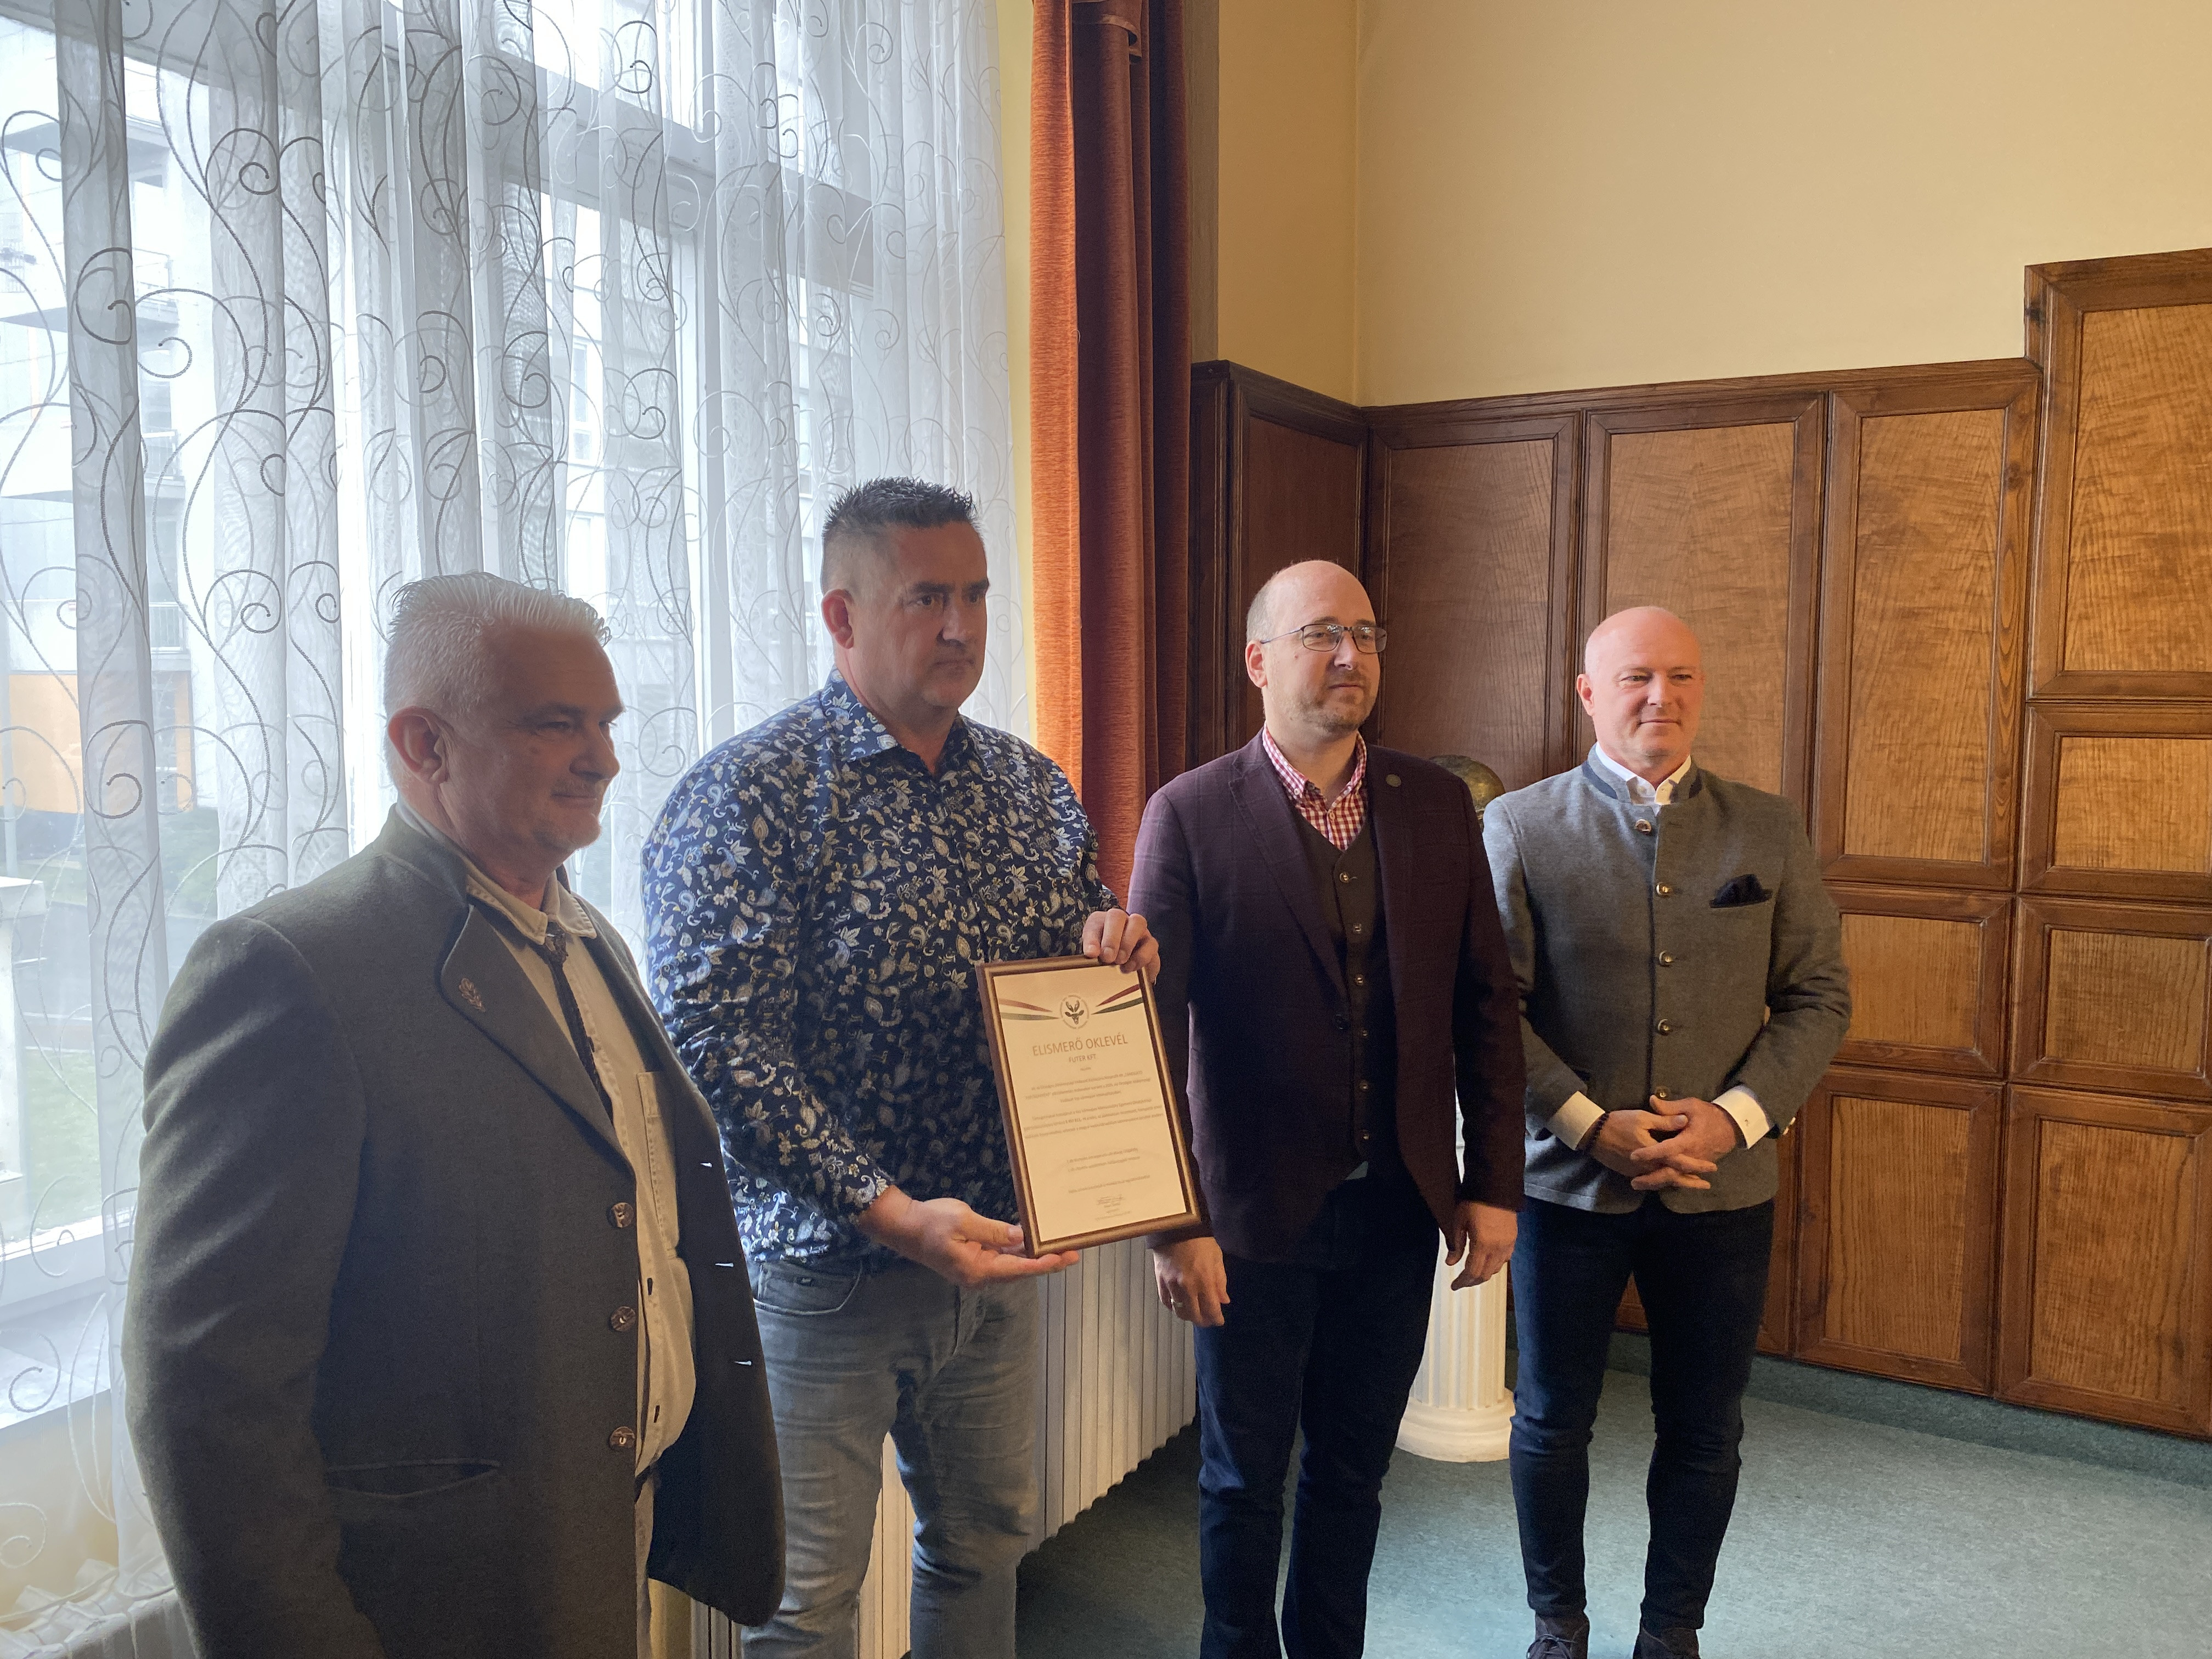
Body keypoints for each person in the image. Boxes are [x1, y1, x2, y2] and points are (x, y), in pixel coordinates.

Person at [124, 574, 783, 1659]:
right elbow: (209, 1393)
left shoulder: (594, 944)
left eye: (606, 723)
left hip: (604, 1538)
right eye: (554, 723)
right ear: (424, 745)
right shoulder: (290, 971)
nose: (604, 759)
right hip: (435, 1606)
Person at [641, 477, 1156, 1659]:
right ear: (842, 615)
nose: (963, 626)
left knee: (985, 1545)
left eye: (976, 594)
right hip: (825, 1274)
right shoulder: (749, 793)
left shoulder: (1029, 784)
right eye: (928, 598)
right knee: (804, 1603)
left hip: (995, 1257)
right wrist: (887, 1211)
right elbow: (716, 1046)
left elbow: (1076, 947)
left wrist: (1114, 944)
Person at [1130, 558, 1526, 1659]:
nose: (1351, 654)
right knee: (1242, 1479)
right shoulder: (1189, 813)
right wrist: (1174, 1223)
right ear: (1258, 662)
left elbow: (1487, 1004)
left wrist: (1494, 1186)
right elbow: (1148, 1037)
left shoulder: (1436, 803)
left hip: (1397, 1209)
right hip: (1249, 1219)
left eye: (1365, 633)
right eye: (1320, 634)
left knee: (1353, 1474)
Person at [1484, 606, 1850, 1659]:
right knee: (1551, 1421)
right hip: (1567, 1187)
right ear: (1588, 694)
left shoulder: (1767, 827)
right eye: (1637, 676)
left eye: (1682, 676)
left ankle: (1671, 1633)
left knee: (1705, 1428)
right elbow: (1491, 1010)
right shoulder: (1519, 825)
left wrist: (1734, 1120)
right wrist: (1588, 1124)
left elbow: (1819, 996)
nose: (1662, 696)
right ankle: (1557, 1625)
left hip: (1721, 1192)